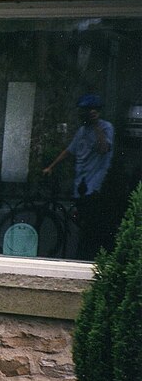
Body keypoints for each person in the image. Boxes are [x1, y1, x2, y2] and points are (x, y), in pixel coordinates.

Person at [43, 94, 115, 259]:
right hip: (80, 184)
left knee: (90, 226)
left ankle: (87, 256)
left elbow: (104, 148)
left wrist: (96, 124)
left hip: (94, 185)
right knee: (81, 223)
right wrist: (51, 167)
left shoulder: (106, 128)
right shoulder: (82, 131)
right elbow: (69, 151)